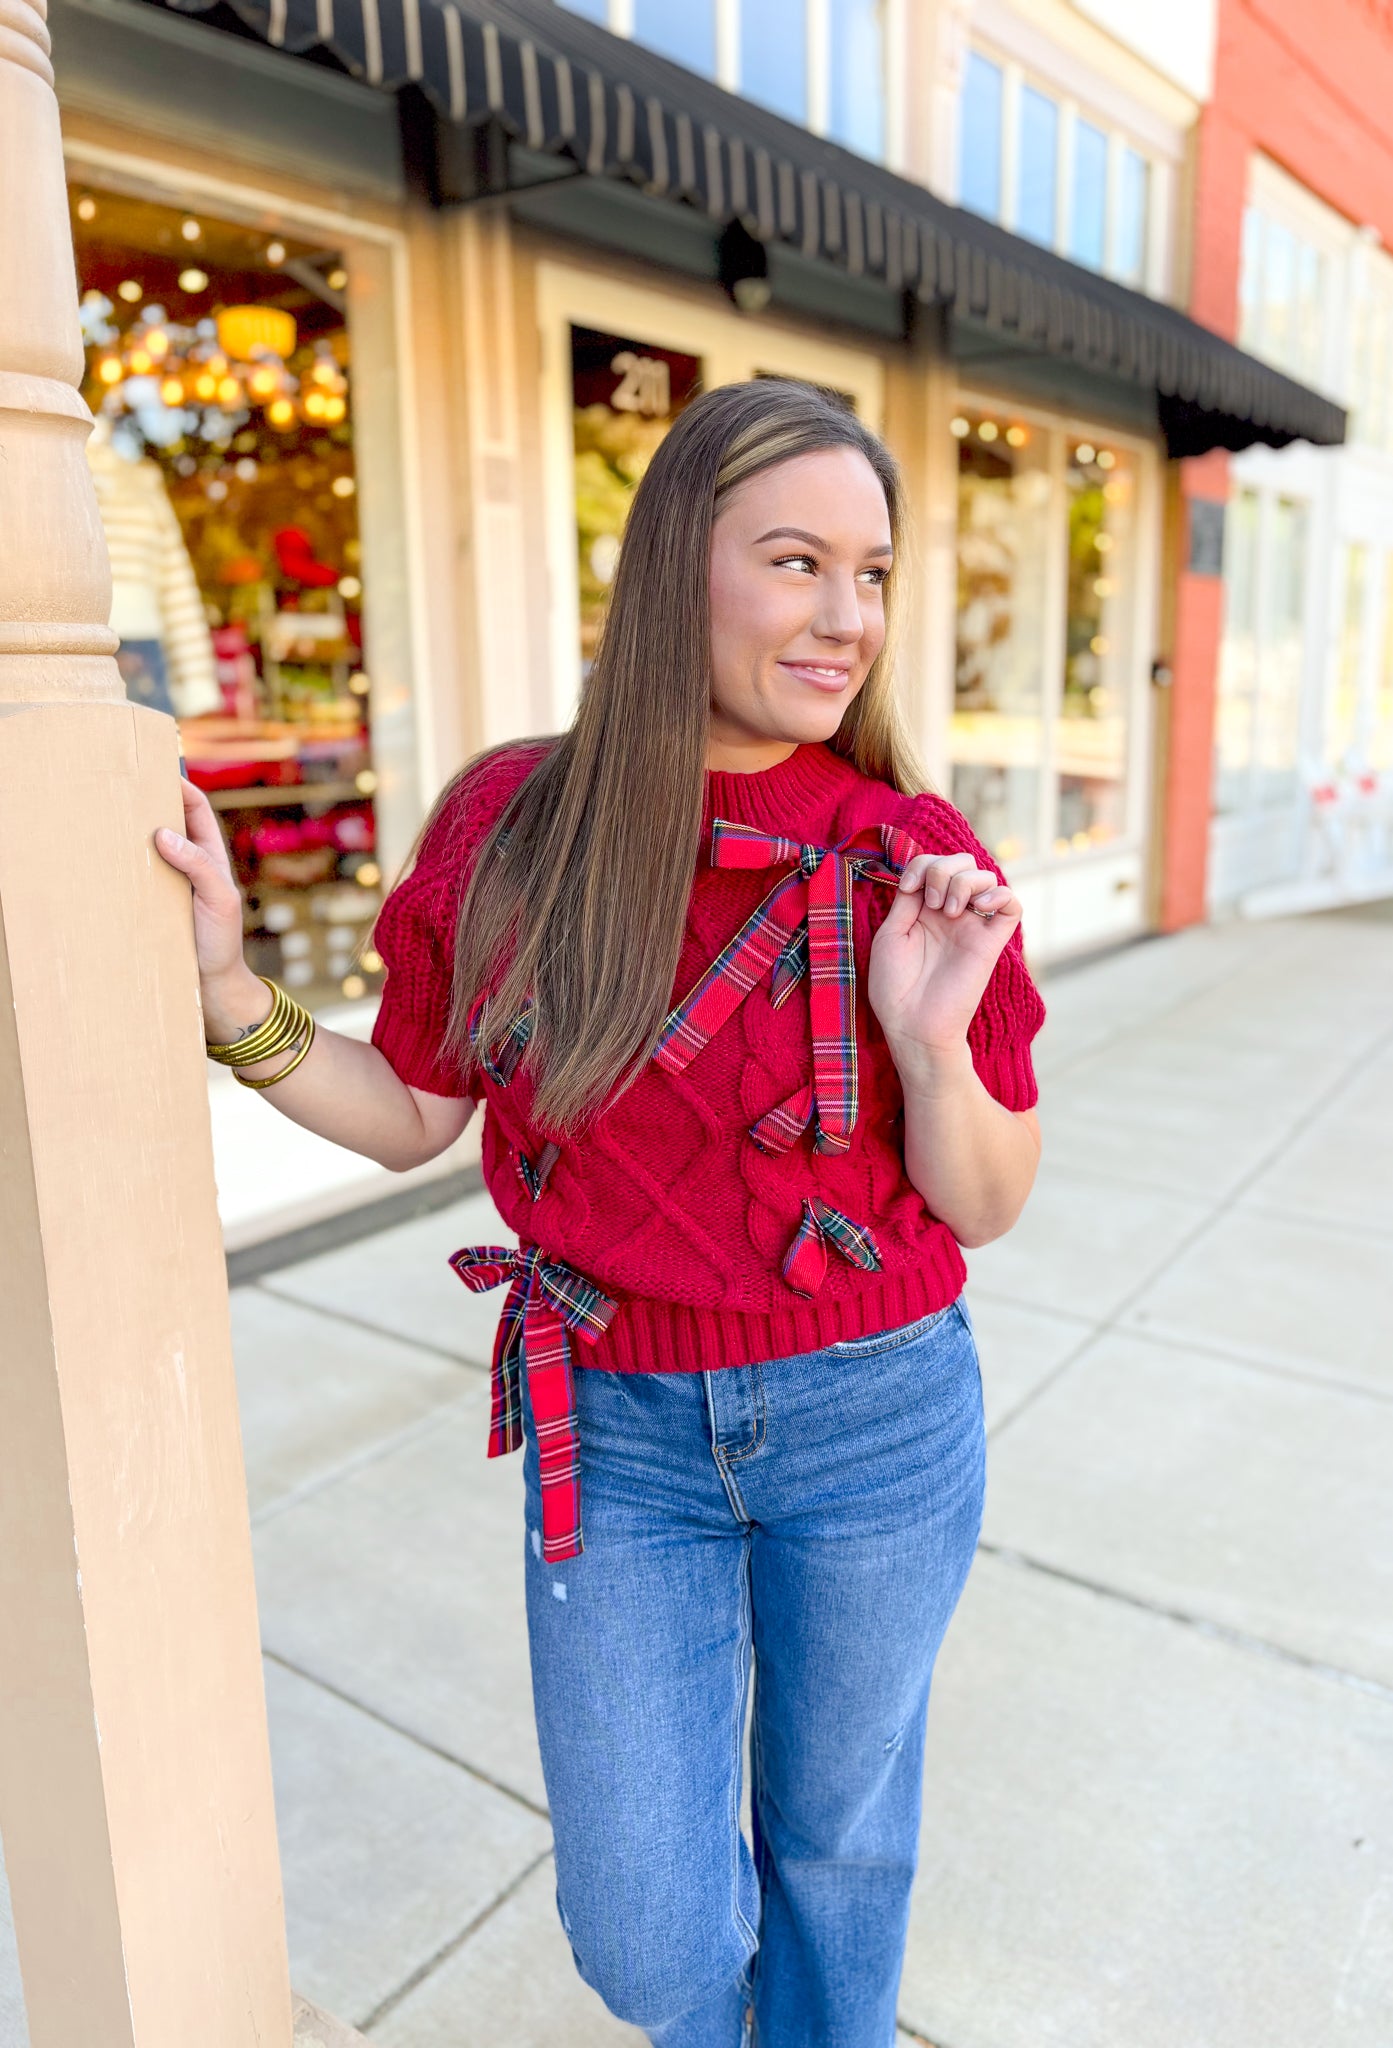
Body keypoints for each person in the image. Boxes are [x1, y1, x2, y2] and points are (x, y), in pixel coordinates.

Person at [157, 379, 1044, 2047]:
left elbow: (985, 1201)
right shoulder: (515, 828)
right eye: (795, 562)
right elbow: (417, 1109)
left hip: (876, 1414)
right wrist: (230, 998)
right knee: (645, 1932)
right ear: (674, 571)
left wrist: (932, 1044)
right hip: (616, 1426)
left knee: (838, 1848)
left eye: (871, 574)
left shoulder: (902, 850)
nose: (844, 618)